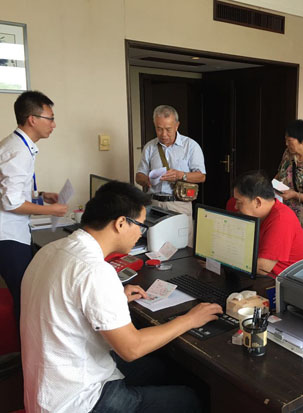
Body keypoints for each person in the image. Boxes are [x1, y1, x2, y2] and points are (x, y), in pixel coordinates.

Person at [20, 181, 222, 412]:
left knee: (160, 368)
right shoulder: (94, 271)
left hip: (49, 387)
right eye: (141, 226)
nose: (140, 234)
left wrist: (115, 297)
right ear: (121, 223)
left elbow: (66, 301)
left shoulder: (51, 249)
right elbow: (131, 349)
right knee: (190, 399)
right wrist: (190, 319)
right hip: (80, 401)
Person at [0, 90, 68, 321]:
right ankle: (26, 343)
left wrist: (40, 195)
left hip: (11, 232)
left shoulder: (15, 144)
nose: (53, 124)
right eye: (50, 118)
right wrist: (52, 210)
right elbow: (11, 202)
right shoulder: (19, 151)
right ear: (32, 119)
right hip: (8, 236)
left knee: (26, 294)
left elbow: (9, 189)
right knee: (26, 298)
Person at [136, 105, 205, 243]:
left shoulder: (190, 146)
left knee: (182, 246)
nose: (163, 134)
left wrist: (181, 175)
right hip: (154, 204)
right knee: (155, 245)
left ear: (177, 125)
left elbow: (201, 176)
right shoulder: (150, 147)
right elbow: (139, 176)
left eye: (168, 129)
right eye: (159, 129)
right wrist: (147, 180)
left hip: (179, 204)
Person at [233, 171, 303, 277]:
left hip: (288, 282)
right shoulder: (259, 215)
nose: (235, 207)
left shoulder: (282, 219)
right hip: (267, 277)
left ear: (257, 202)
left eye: (239, 202)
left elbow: (262, 268)